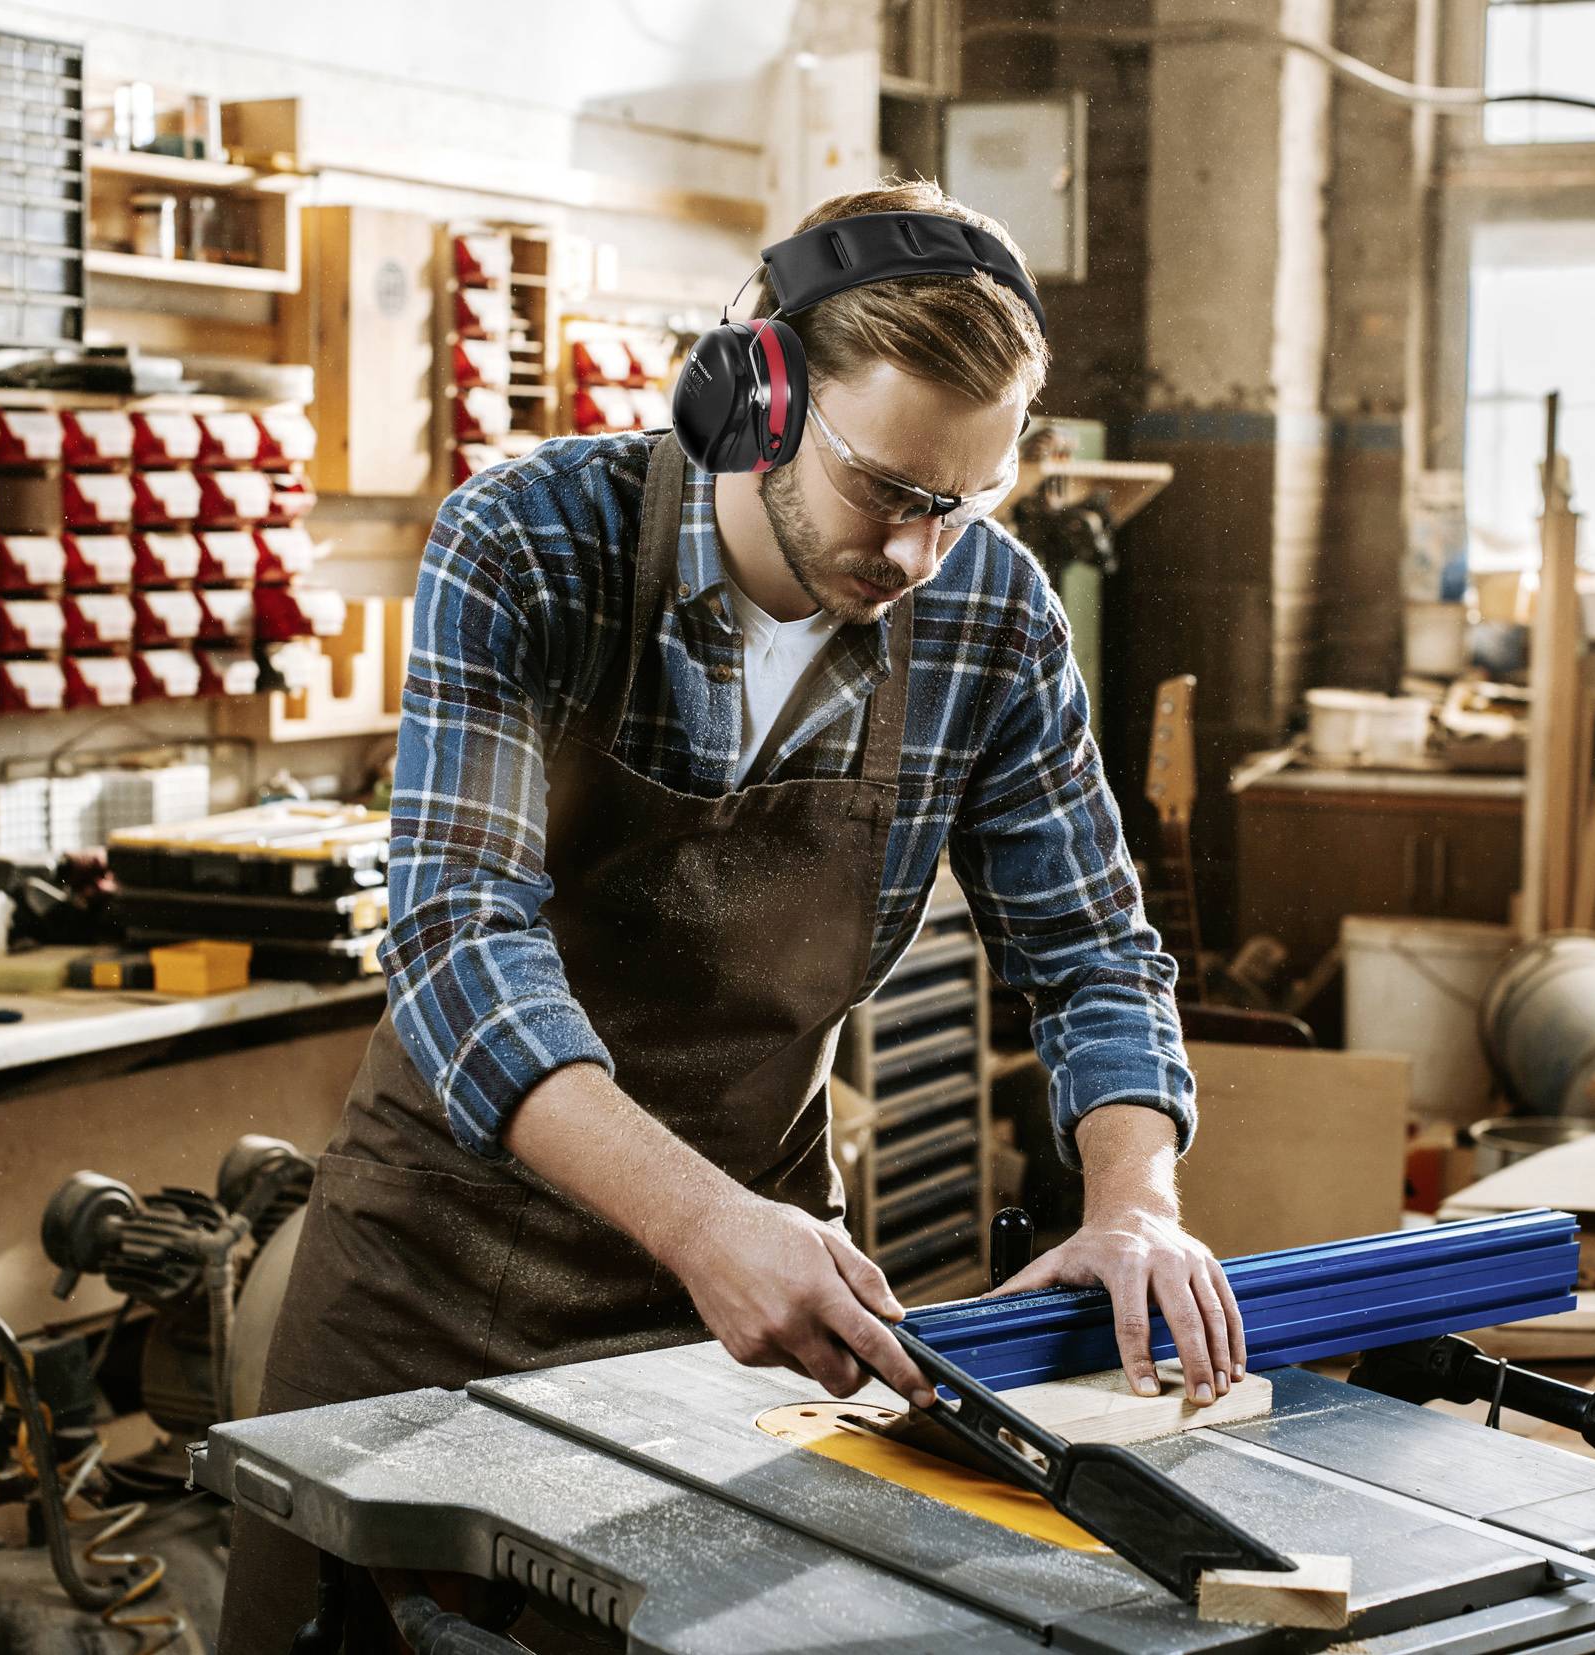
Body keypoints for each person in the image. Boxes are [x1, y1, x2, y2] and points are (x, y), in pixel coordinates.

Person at [220, 180, 1240, 1651]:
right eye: (886, 489)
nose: (912, 557)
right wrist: (699, 1219)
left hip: (755, 1313)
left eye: (961, 506)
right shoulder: (528, 543)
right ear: (755, 392)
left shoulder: (994, 618)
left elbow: (1089, 949)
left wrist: (1134, 1204)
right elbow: (458, 946)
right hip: (426, 1293)